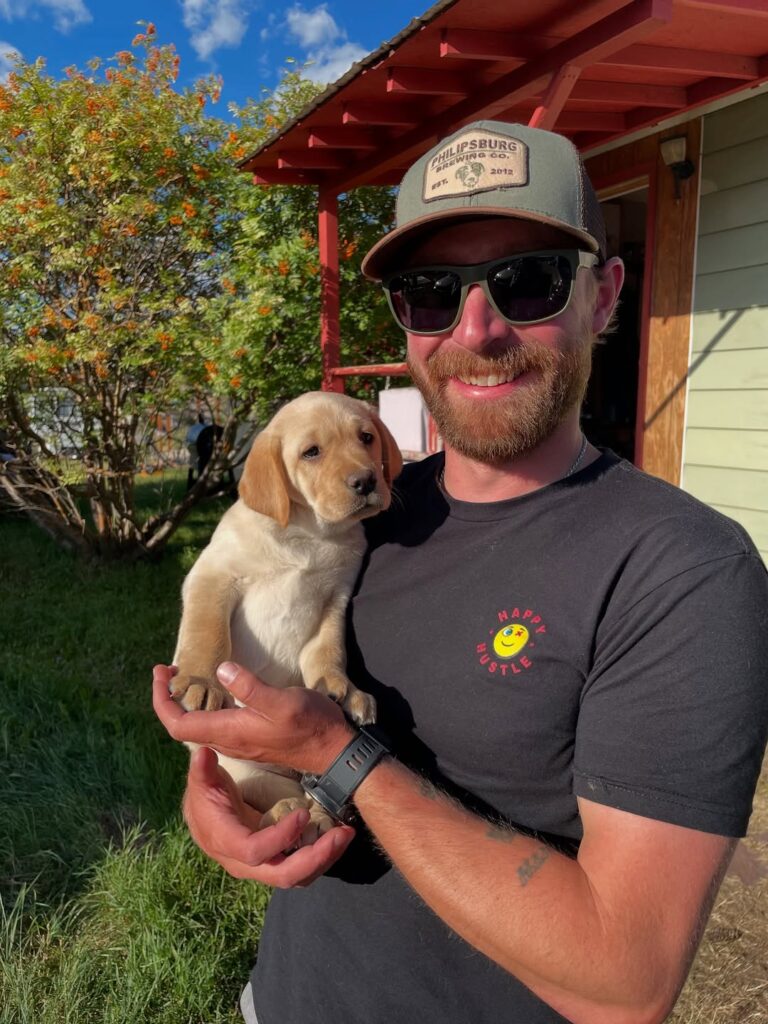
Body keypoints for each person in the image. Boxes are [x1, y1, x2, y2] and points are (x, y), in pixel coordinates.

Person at [153, 121, 768, 1024]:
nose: (476, 329)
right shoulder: (369, 517)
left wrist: (337, 754)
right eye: (431, 293)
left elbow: (627, 982)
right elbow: (263, 668)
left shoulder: (684, 574)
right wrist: (217, 796)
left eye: (527, 281)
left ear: (605, 299)